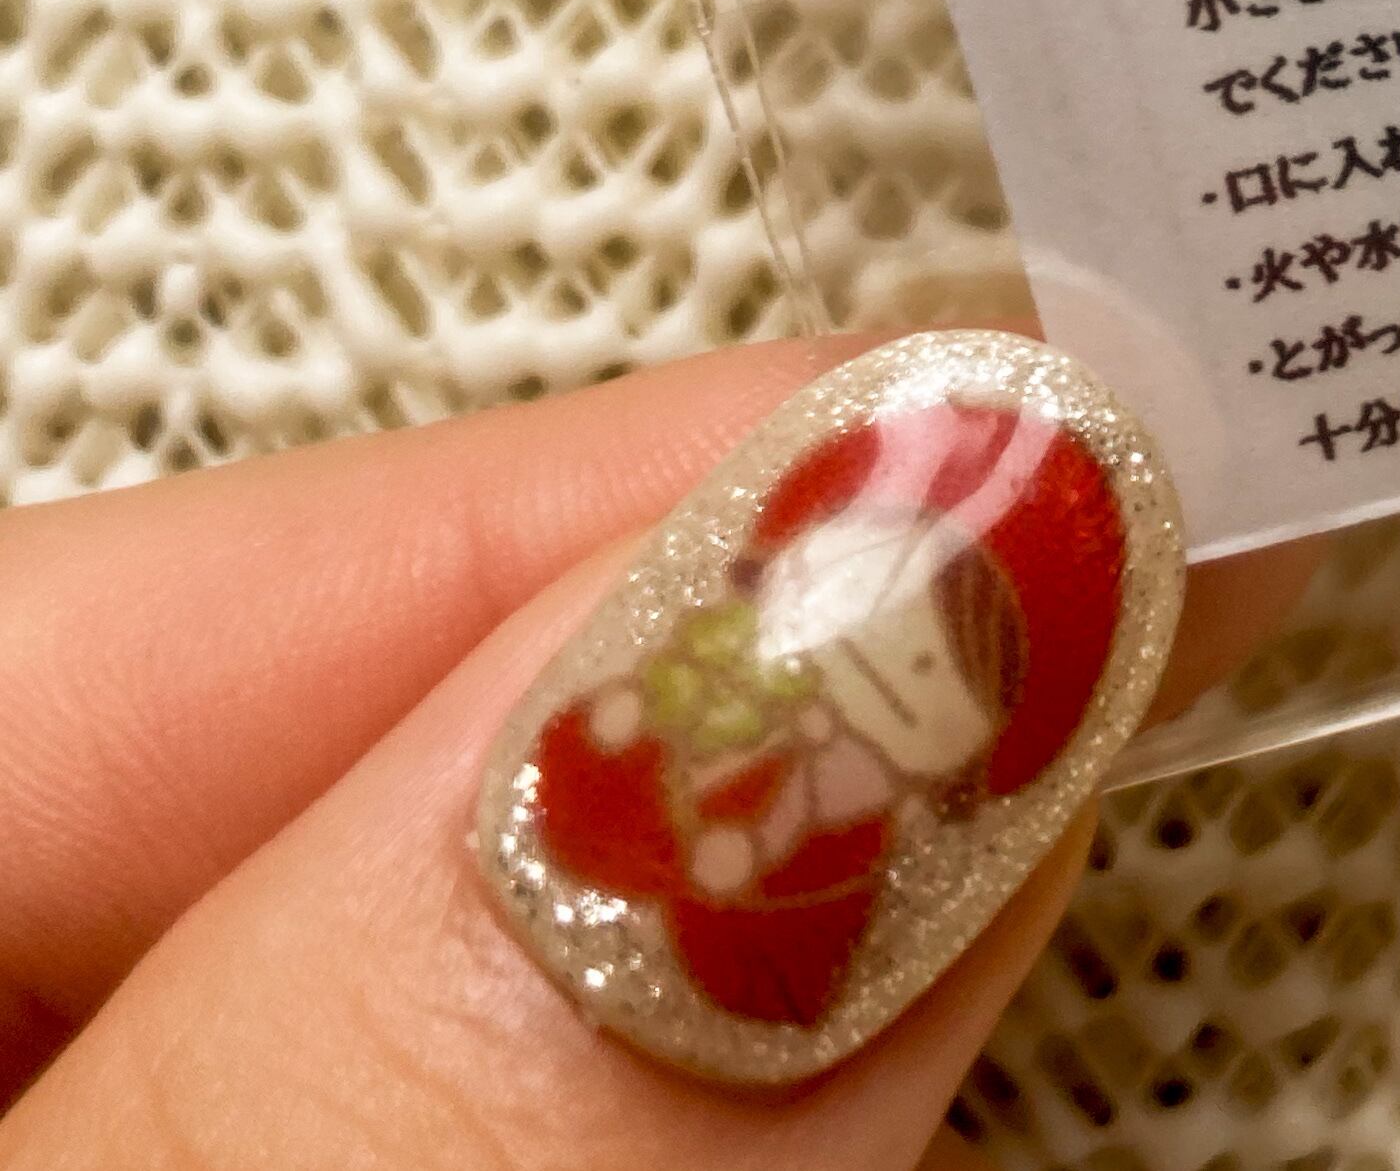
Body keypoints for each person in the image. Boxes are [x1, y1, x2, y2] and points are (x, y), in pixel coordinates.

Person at [0, 331, 1310, 1169]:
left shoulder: (854, 811)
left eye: (927, 671)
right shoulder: (711, 678)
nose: (873, 658)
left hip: (775, 901)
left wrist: (774, 819)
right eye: (860, 595)